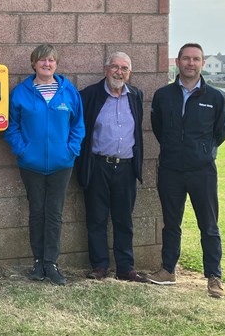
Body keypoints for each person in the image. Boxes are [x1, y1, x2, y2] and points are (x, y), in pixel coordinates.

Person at [147, 43, 225, 298]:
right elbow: (159, 128)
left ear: (202, 63)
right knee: (171, 223)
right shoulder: (163, 96)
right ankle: (168, 270)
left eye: (196, 59)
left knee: (209, 225)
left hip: (202, 171)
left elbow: (221, 132)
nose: (190, 63)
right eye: (186, 58)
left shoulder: (215, 97)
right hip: (171, 170)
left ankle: (214, 277)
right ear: (178, 62)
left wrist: (202, 151)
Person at [4, 44, 85, 285]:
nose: (46, 64)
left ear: (56, 64)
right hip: (32, 164)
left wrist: (71, 150)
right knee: (37, 212)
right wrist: (23, 150)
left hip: (62, 163)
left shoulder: (69, 92)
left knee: (54, 213)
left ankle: (52, 262)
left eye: (50, 60)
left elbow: (78, 126)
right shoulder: (21, 92)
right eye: (42, 61)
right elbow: (11, 126)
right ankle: (38, 262)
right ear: (34, 64)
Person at [76, 52, 148, 283]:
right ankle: (99, 266)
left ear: (130, 73)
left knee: (123, 219)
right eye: (115, 67)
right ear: (106, 69)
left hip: (126, 167)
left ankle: (125, 268)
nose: (119, 72)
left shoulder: (136, 96)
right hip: (98, 165)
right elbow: (79, 129)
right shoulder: (90, 95)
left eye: (124, 68)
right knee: (96, 218)